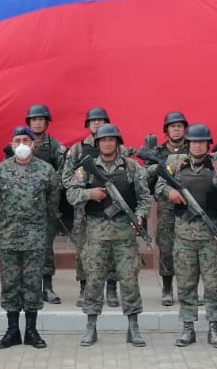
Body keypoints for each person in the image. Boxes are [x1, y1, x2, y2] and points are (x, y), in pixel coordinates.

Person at [66, 123, 154, 347]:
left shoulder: (132, 167)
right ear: (97, 143)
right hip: (96, 234)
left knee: (129, 281)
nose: (107, 143)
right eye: (103, 140)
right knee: (94, 281)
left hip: (124, 235)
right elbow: (71, 194)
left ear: (117, 143)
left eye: (111, 140)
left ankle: (133, 327)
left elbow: (144, 198)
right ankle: (91, 327)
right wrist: (90, 193)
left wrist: (139, 216)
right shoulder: (86, 168)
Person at [156, 123, 217, 348]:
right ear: (188, 144)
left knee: (213, 285)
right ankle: (188, 328)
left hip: (210, 237)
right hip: (183, 237)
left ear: (208, 145)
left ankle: (214, 328)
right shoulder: (176, 166)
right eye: (194, 142)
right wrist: (169, 191)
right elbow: (158, 186)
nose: (198, 146)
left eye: (202, 142)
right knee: (186, 284)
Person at [0, 125, 60, 349]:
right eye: (17, 141)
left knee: (32, 284)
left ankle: (31, 331)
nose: (21, 145)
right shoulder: (0, 171)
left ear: (33, 143)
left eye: (26, 141)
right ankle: (12, 331)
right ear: (12, 144)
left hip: (35, 239)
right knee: (9, 284)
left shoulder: (46, 171)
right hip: (8, 237)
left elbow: (53, 204)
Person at [63, 106, 117, 307]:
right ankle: (84, 288)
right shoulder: (78, 149)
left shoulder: (115, 146)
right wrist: (85, 190)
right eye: (93, 120)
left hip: (111, 208)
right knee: (83, 251)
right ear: (87, 125)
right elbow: (66, 178)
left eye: (101, 120)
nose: (97, 123)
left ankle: (111, 289)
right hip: (84, 210)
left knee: (112, 249)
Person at [21, 103, 67, 304]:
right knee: (23, 248)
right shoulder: (21, 144)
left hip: (46, 207)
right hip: (22, 207)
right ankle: (27, 287)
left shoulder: (55, 147)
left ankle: (47, 287)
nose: (37, 123)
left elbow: (64, 174)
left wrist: (49, 187)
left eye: (41, 119)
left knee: (45, 248)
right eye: (34, 120)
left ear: (47, 123)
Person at [148, 111, 189, 307]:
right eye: (172, 126)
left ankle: (188, 289)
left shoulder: (193, 148)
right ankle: (167, 288)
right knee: (165, 246)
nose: (176, 129)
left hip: (189, 205)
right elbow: (145, 178)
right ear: (166, 130)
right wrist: (157, 166)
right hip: (166, 205)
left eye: (179, 126)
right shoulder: (157, 152)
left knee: (189, 248)